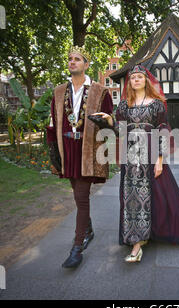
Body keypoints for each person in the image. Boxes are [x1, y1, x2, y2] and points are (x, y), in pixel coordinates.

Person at [94, 65, 179, 263]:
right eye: (132, 77)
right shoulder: (124, 106)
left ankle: (150, 233)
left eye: (139, 77)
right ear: (130, 82)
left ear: (146, 80)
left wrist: (160, 160)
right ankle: (136, 239)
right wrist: (109, 121)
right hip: (131, 155)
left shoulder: (157, 104)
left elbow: (162, 130)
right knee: (132, 195)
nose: (135, 80)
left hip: (151, 153)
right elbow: (120, 131)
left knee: (158, 194)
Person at [46, 45, 113, 269]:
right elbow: (51, 124)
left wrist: (106, 121)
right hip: (67, 149)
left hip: (88, 151)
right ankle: (89, 229)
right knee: (77, 194)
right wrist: (52, 151)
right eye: (70, 59)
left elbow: (110, 124)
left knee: (82, 198)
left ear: (86, 64)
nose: (72, 62)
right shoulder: (57, 91)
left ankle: (77, 247)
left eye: (77, 59)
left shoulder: (100, 91)